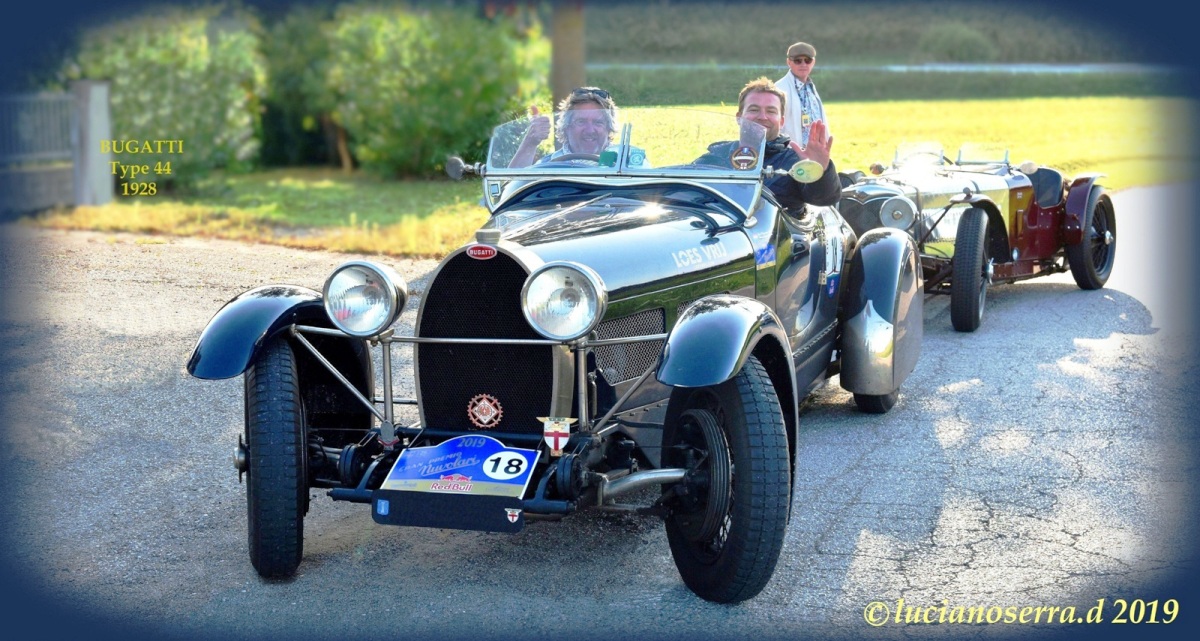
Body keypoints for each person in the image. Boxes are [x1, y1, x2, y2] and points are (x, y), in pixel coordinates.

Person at [695, 77, 839, 213]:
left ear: (781, 121)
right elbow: (684, 190)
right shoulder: (718, 155)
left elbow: (824, 198)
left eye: (771, 111)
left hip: (778, 236)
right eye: (754, 109)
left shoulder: (795, 160)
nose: (762, 117)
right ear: (739, 117)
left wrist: (820, 171)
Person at [509, 87, 637, 168]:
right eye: (581, 122)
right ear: (566, 127)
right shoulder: (548, 165)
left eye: (598, 123)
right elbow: (510, 190)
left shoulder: (629, 160)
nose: (589, 130)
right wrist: (530, 143)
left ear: (609, 128)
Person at [776, 41, 827, 147]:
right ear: (789, 62)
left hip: (816, 152)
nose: (803, 64)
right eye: (797, 61)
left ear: (813, 62)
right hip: (790, 154)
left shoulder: (811, 87)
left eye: (807, 60)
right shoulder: (779, 89)